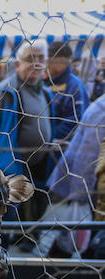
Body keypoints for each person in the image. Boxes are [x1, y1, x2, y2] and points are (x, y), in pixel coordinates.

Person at [0, 39, 55, 222]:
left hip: (36, 168)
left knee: (29, 214)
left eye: (41, 59)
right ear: (18, 64)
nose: (36, 63)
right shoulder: (4, 92)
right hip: (10, 171)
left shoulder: (44, 92)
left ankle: (24, 241)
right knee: (5, 217)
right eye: (31, 58)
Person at [40, 95, 105, 257]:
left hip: (89, 183)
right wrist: (82, 195)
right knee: (78, 238)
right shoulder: (102, 110)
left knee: (80, 237)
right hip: (88, 184)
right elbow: (88, 156)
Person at [45, 40, 90, 145]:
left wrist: (47, 135)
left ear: (62, 61)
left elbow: (74, 123)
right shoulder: (44, 82)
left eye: (49, 61)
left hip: (60, 150)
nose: (45, 65)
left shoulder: (75, 87)